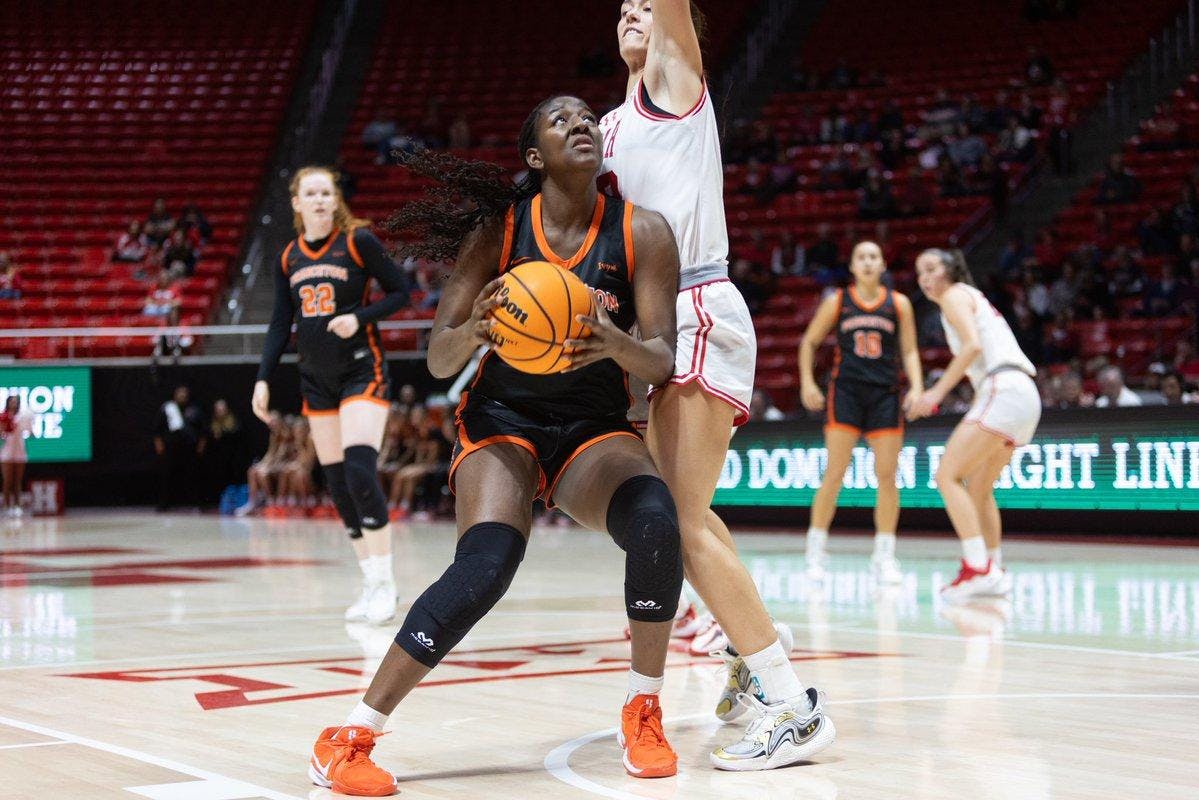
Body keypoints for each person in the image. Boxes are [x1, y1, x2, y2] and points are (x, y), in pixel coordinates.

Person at [308, 95, 687, 794]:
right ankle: (349, 736)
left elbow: (662, 360)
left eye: (586, 117)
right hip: (502, 419)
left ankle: (643, 706)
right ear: (535, 156)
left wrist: (615, 342)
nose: (580, 123)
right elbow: (440, 358)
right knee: (485, 566)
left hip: (592, 427)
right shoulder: (500, 229)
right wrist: (478, 329)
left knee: (658, 528)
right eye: (559, 119)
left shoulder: (643, 233)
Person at [600, 0, 834, 771]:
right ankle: (754, 646)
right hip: (651, 328)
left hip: (697, 306)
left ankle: (792, 704)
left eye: (647, 5)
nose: (634, 12)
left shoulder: (673, 85)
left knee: (676, 517)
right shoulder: (607, 125)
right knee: (684, 511)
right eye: (623, 8)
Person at [254, 165, 410, 626]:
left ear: (335, 199)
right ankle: (370, 580)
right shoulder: (289, 258)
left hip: (362, 370)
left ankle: (387, 582)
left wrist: (359, 318)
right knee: (339, 485)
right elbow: (282, 323)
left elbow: (400, 292)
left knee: (361, 472)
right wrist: (263, 377)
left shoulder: (358, 241)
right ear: (297, 203)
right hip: (315, 379)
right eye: (311, 193)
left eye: (327, 192)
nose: (321, 199)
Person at [910, 248, 1041, 602]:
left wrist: (933, 394)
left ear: (950, 270)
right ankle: (995, 569)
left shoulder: (953, 295)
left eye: (931, 268)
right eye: (919, 272)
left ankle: (977, 567)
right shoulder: (973, 297)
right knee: (980, 487)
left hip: (1004, 387)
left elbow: (971, 347)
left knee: (946, 476)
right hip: (1023, 392)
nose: (924, 278)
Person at [799, 241, 923, 585]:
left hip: (885, 393)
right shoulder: (838, 301)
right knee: (834, 473)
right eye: (861, 257)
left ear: (883, 263)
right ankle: (815, 552)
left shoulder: (899, 304)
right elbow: (809, 341)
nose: (868, 262)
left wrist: (918, 386)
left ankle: (884, 556)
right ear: (852, 266)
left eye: (873, 257)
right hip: (847, 392)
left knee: (887, 476)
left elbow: (910, 350)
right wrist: (808, 382)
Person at [153, 385, 203, 511]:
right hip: (170, 447)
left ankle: (195, 504)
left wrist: (200, 445)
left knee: (192, 475)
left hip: (189, 447)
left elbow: (202, 429)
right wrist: (159, 445)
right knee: (167, 476)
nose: (182, 395)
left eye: (184, 393)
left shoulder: (194, 409)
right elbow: (157, 429)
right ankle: (164, 504)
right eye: (180, 392)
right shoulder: (168, 407)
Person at [0, 396, 33, 517]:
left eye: (16, 402)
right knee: (7, 481)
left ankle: (17, 506)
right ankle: (6, 506)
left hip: (20, 451)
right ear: (7, 403)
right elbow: (2, 434)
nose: (14, 404)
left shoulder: (22, 417)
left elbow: (30, 433)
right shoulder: (3, 416)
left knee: (17, 481)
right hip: (7, 452)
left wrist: (30, 428)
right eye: (11, 402)